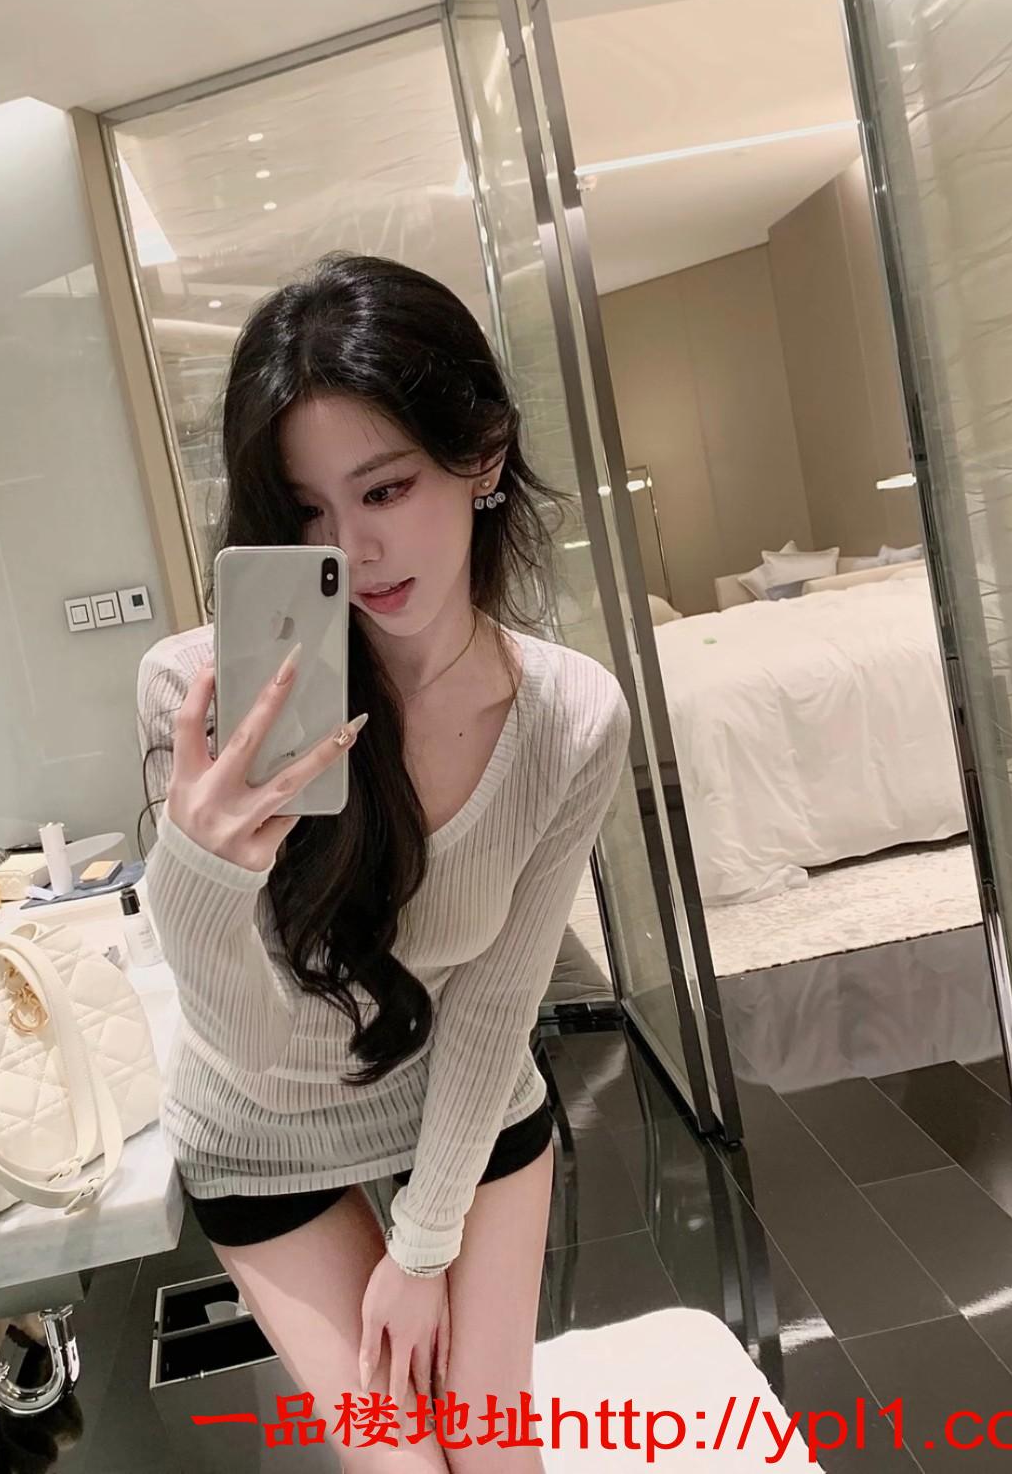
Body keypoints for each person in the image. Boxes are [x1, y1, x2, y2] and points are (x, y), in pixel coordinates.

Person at [137, 253, 630, 1471]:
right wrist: (200, 870)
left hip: (459, 1102)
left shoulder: (571, 717)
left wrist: (423, 1249)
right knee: (399, 1460)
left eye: (387, 487)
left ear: (483, 456)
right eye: (305, 511)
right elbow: (248, 1042)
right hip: (258, 1130)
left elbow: (498, 1001)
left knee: (494, 1456)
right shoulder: (195, 692)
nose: (352, 548)